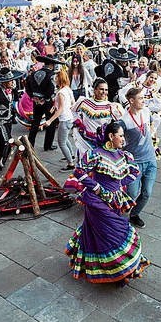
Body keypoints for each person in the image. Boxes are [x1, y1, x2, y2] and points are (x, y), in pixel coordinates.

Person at [65, 121, 150, 284]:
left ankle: (115, 271)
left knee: (102, 233)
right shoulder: (95, 154)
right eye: (120, 136)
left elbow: (134, 171)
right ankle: (118, 271)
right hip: (97, 202)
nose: (123, 139)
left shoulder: (124, 155)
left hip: (116, 201)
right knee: (112, 233)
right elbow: (79, 171)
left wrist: (119, 184)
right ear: (111, 136)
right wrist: (98, 188)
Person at [120, 87, 157, 229]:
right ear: (131, 100)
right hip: (134, 163)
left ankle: (134, 214)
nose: (144, 100)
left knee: (147, 193)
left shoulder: (146, 112)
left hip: (150, 159)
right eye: (141, 98)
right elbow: (118, 137)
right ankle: (120, 210)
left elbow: (152, 122)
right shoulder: (124, 120)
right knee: (132, 192)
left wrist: (152, 131)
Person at [71, 77, 124, 159]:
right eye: (101, 89)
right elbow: (73, 111)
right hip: (85, 140)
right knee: (84, 161)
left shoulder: (110, 106)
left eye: (106, 90)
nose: (104, 92)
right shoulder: (84, 102)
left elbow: (122, 121)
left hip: (102, 141)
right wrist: (79, 122)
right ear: (95, 90)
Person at [0, 67, 24, 171]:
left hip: (9, 120)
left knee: (4, 141)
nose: (12, 82)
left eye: (12, 80)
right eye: (10, 81)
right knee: (6, 140)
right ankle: (4, 161)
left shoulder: (13, 91)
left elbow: (15, 102)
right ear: (4, 82)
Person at [25, 55, 61, 151]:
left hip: (36, 102)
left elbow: (27, 87)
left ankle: (30, 145)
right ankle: (48, 145)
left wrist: (33, 97)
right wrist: (45, 98)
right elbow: (51, 89)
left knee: (35, 123)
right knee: (51, 122)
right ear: (52, 65)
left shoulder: (34, 73)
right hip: (47, 102)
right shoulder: (52, 75)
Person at [44, 68, 76, 171]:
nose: (55, 79)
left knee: (61, 142)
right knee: (65, 139)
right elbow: (72, 103)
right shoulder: (67, 89)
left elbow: (61, 109)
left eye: (56, 78)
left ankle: (70, 163)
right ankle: (71, 155)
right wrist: (55, 105)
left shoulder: (61, 92)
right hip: (69, 118)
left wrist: (50, 120)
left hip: (64, 119)